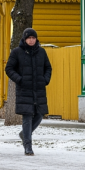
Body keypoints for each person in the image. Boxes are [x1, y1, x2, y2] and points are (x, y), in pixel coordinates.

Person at [5, 28, 53, 156]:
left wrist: (45, 79)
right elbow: (9, 68)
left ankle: (24, 134)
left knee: (39, 114)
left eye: (33, 38)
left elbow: (48, 67)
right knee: (27, 116)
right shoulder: (17, 52)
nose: (31, 40)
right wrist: (19, 79)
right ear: (25, 39)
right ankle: (28, 146)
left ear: (36, 39)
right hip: (24, 90)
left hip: (39, 89)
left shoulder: (42, 52)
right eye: (29, 38)